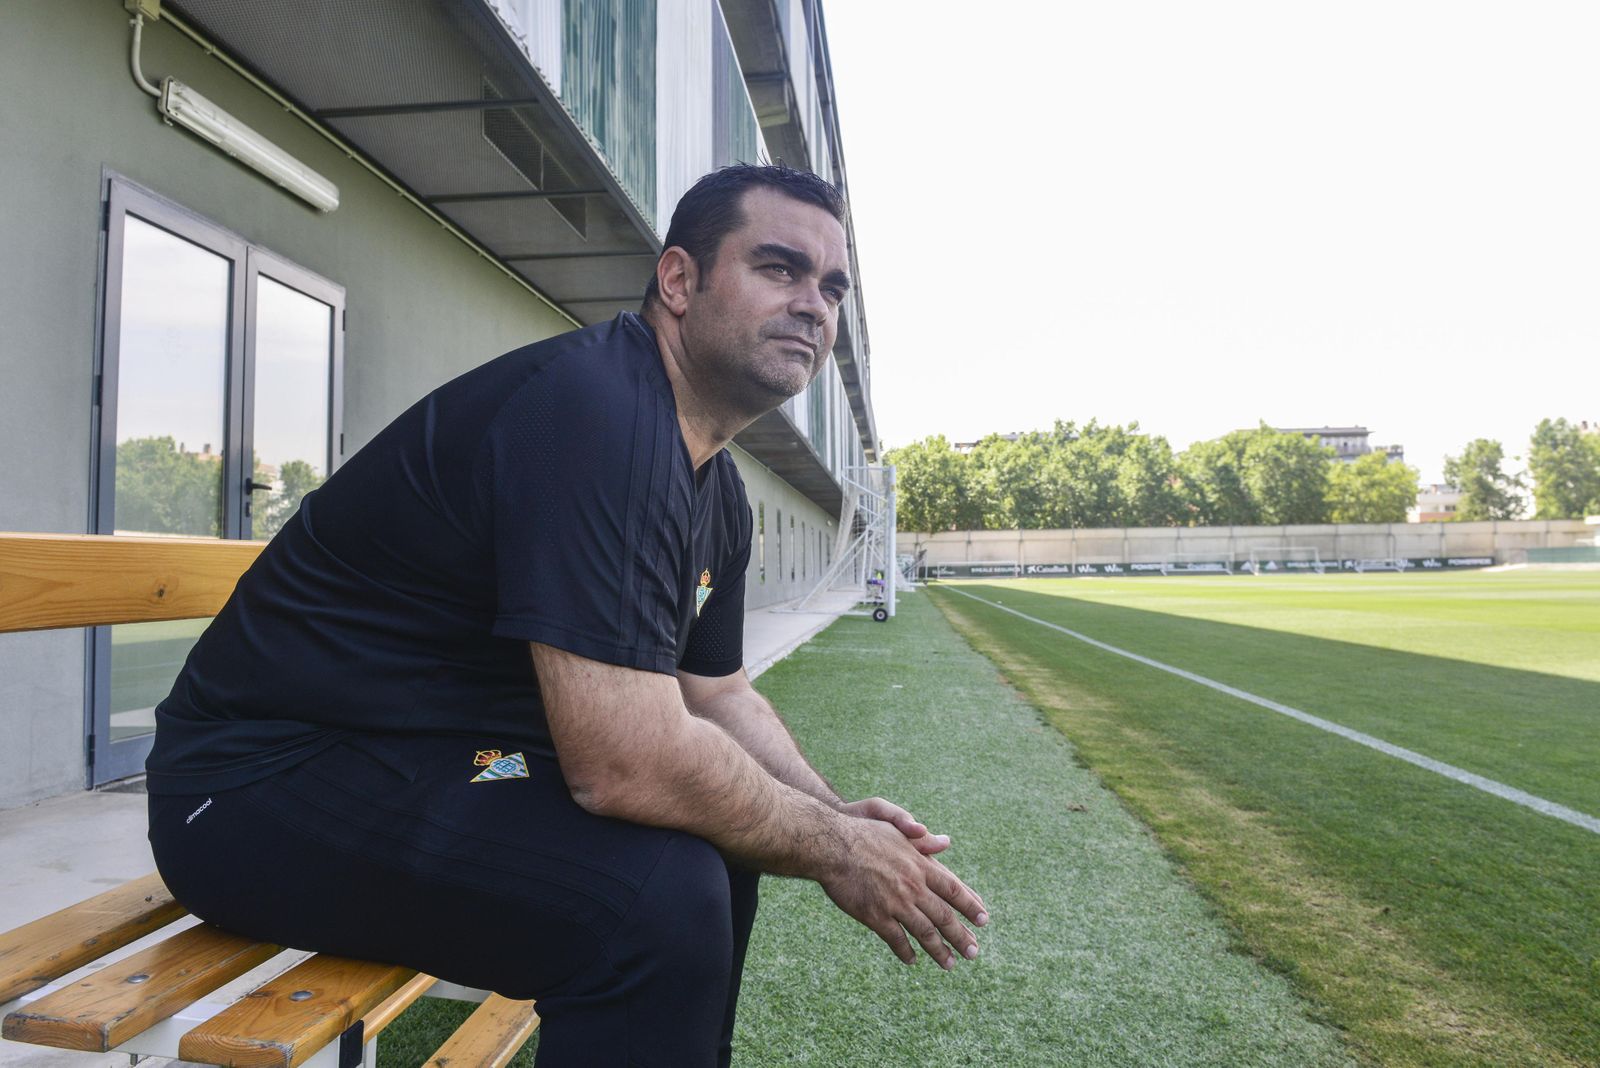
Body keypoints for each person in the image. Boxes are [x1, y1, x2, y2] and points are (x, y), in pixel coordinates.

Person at [144, 164, 987, 1066]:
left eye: (830, 287)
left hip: (463, 761)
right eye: (779, 268)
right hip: (260, 785)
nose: (813, 305)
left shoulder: (717, 493)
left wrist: (836, 816)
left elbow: (715, 692)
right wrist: (834, 851)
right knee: (653, 900)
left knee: (721, 854)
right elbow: (622, 765)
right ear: (678, 281)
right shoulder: (597, 413)